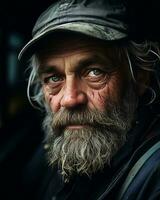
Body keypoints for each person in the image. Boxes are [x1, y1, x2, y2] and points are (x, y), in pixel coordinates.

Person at [18, 0, 160, 199]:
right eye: (54, 78)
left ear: (140, 77)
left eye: (94, 72)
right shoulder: (46, 158)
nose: (69, 99)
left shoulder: (153, 176)